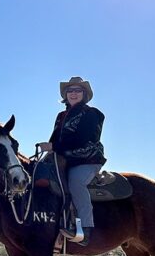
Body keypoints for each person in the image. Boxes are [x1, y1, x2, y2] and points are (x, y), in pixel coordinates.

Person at [38, 76, 106, 246]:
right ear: (65, 94)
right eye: (70, 90)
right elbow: (55, 138)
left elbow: (84, 139)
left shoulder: (93, 114)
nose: (73, 93)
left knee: (75, 182)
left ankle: (86, 228)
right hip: (63, 158)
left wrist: (54, 147)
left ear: (84, 94)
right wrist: (48, 152)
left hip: (87, 159)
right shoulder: (61, 116)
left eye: (78, 90)